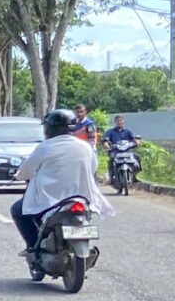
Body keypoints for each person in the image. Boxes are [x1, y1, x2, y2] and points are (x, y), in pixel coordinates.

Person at [12, 109, 108, 254]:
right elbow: (92, 167)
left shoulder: (45, 147)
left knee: (17, 210)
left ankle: (33, 247)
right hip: (82, 198)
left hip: (50, 200)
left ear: (50, 128)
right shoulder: (86, 147)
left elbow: (26, 170)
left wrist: (17, 176)